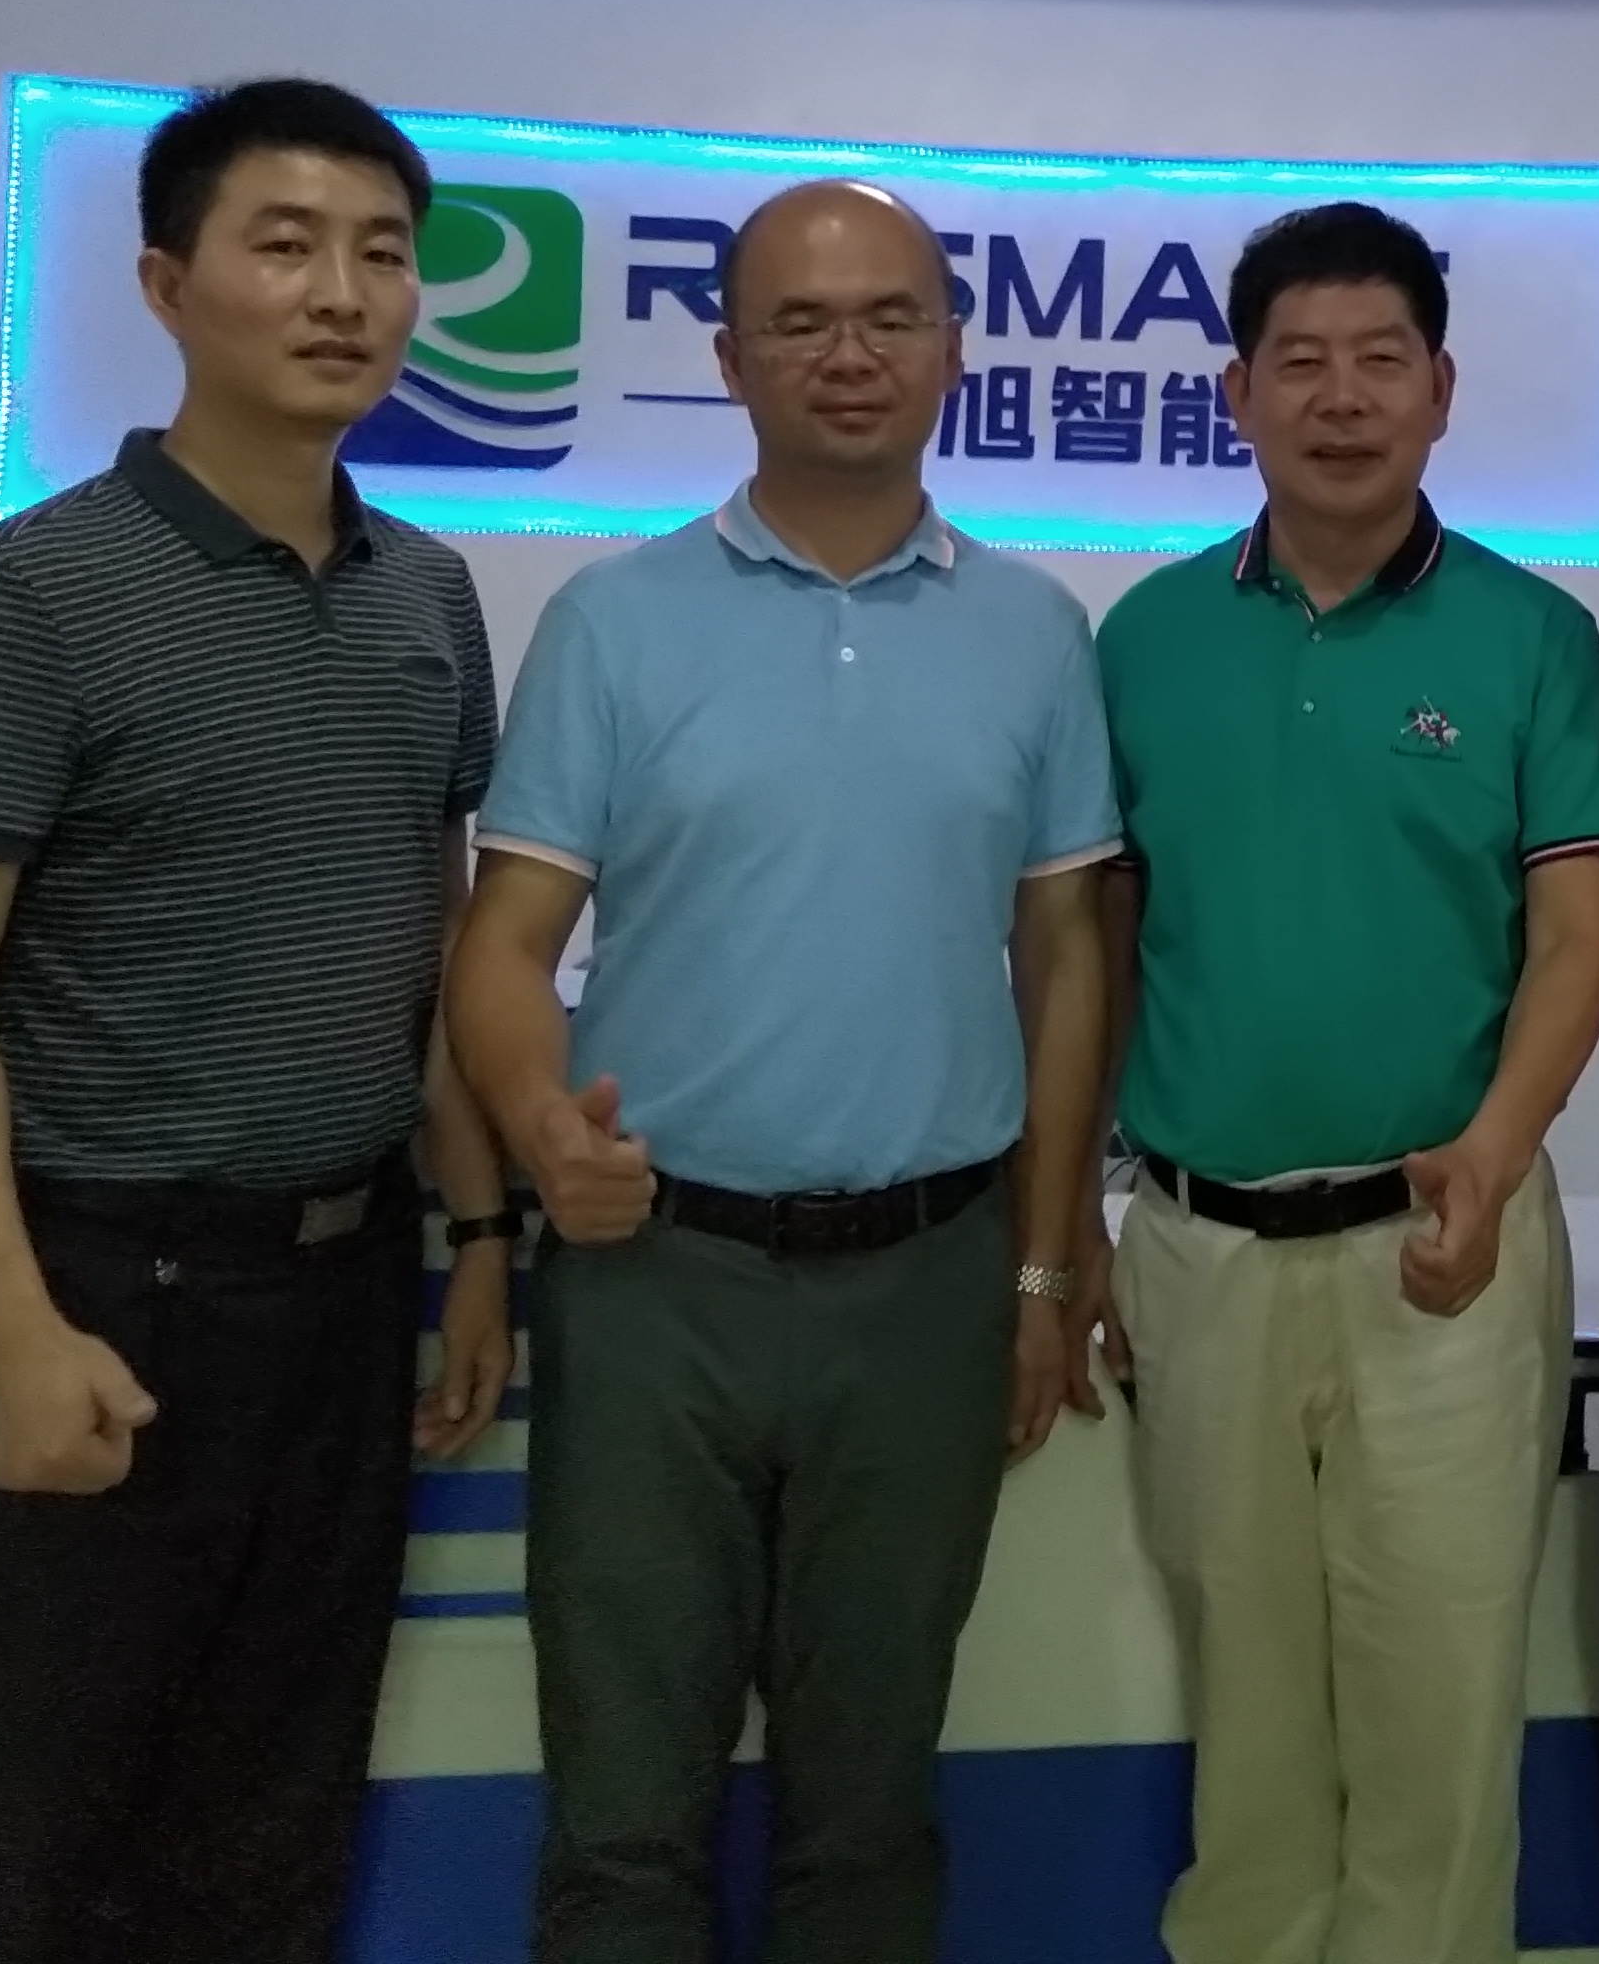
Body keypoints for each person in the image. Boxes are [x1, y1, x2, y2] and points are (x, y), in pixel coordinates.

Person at [0, 78, 515, 1964]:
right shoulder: (22, 591)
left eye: (382, 254)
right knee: (28, 1856)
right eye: (285, 246)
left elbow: (432, 943)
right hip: (99, 1293)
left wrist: (478, 1239)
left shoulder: (430, 598)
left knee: (271, 1845)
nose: (343, 295)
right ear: (167, 284)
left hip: (343, 1302)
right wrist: (11, 1327)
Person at [445, 177, 1118, 1964]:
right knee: (622, 1812)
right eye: (801, 322)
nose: (850, 354)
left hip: (930, 1282)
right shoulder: (615, 619)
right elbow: (501, 948)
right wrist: (542, 1128)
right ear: (730, 359)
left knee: (869, 1807)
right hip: (654, 1282)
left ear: (954, 350)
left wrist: (1045, 1269)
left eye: (891, 316)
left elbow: (1066, 961)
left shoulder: (1036, 632)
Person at [1086, 199, 1599, 1964]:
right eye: (1301, 362)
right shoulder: (1145, 638)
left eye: (1381, 360)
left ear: (1441, 390)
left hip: (1442, 1245)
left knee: (1442, 1703)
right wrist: (1067, 1222)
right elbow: (1099, 947)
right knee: (1243, 1693)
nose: (1342, 398)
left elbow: (1578, 937)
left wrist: (1497, 1150)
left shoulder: (1534, 635)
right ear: (1236, 393)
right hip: (1200, 1249)